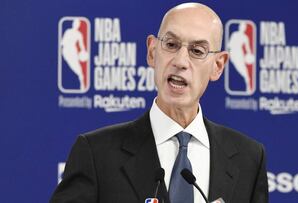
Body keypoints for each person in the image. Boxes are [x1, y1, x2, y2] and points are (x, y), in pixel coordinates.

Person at [51, 3, 268, 203]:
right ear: (152, 51)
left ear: (218, 65)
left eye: (197, 51)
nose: (180, 61)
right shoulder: (96, 154)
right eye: (171, 45)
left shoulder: (249, 158)